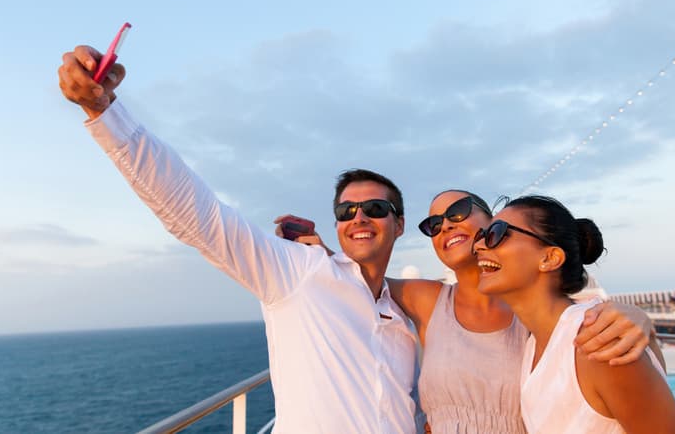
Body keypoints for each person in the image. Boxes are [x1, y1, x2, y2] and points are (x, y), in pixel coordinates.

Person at [59, 45, 418, 433]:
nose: (359, 217)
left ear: (399, 225)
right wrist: (105, 112)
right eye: (346, 211)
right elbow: (198, 215)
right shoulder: (299, 273)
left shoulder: (406, 319)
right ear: (337, 225)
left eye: (376, 209)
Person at [283, 190, 661, 433]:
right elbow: (359, 282)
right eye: (433, 224)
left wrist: (641, 321)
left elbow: (586, 320)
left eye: (459, 212)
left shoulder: (562, 325)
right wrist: (320, 253)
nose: (445, 225)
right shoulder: (431, 301)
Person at [473, 195, 675, 433]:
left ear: (550, 258)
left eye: (497, 234)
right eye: (482, 236)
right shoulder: (535, 345)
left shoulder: (598, 341)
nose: (479, 245)